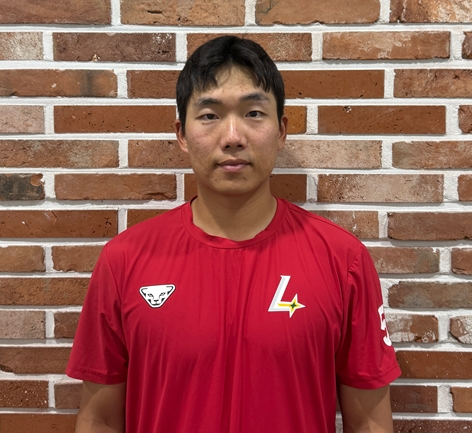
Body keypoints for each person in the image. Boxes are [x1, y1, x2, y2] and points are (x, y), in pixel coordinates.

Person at [67, 35, 401, 433]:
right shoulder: (125, 260)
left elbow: (369, 422)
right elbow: (100, 419)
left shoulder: (342, 260)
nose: (232, 137)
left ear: (281, 130)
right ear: (181, 134)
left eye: (254, 113)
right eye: (210, 115)